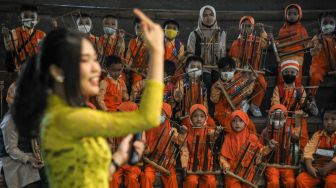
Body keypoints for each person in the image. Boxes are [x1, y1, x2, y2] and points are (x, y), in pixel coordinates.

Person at [10, 9, 165, 188]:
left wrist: (118, 157)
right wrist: (157, 54)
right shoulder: (69, 118)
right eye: (85, 60)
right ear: (58, 71)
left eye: (95, 60)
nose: (96, 69)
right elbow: (148, 118)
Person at [220, 110, 273, 188]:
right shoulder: (228, 137)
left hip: (248, 170)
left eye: (240, 121)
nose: (237, 123)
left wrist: (269, 147)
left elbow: (261, 151)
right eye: (234, 121)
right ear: (230, 123)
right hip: (232, 170)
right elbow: (222, 157)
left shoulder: (252, 137)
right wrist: (225, 165)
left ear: (246, 122)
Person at [228, 16, 268, 117]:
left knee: (262, 82)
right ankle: (242, 103)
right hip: (240, 72)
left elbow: (265, 44)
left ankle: (255, 105)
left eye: (249, 26)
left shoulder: (258, 40)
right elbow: (233, 61)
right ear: (240, 27)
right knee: (236, 82)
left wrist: (262, 31)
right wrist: (242, 70)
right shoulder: (236, 43)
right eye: (244, 25)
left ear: (253, 28)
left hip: (254, 71)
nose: (246, 28)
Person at [260, 104, 304, 188]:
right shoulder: (265, 131)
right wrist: (268, 147)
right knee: (273, 181)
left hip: (286, 164)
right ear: (270, 117)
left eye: (281, 118)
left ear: (285, 119)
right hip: (271, 164)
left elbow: (297, 136)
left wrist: (298, 120)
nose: (278, 121)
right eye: (275, 118)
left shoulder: (289, 129)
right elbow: (259, 150)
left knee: (291, 181)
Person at [211, 57, 257, 133]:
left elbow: (247, 92)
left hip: (238, 110)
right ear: (219, 71)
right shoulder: (216, 85)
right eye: (224, 70)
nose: (227, 72)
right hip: (223, 113)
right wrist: (218, 89)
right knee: (231, 128)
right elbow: (214, 99)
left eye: (230, 70)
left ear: (234, 70)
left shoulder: (239, 81)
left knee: (250, 126)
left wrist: (251, 80)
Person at [296, 103, 336, 188]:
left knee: (331, 183)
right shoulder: (318, 135)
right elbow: (308, 150)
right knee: (301, 179)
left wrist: (326, 169)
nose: (329, 122)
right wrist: (309, 167)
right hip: (317, 170)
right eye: (326, 119)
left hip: (333, 172)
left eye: (333, 119)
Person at [181, 104, 217, 188]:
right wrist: (184, 165)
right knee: (191, 181)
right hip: (191, 163)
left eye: (202, 116)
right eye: (195, 116)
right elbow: (184, 150)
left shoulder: (208, 130)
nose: (198, 119)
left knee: (210, 181)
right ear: (190, 118)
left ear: (206, 118)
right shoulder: (187, 131)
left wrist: (216, 133)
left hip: (206, 163)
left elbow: (213, 135)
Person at [2, 4, 45, 71]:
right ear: (20, 18)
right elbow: (10, 48)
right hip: (20, 70)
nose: (29, 19)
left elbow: (43, 52)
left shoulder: (42, 34)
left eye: (32, 17)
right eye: (26, 16)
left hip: (36, 70)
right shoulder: (15, 32)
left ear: (38, 19)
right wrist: (6, 37)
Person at [277, 4, 309, 84]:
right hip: (284, 57)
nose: (292, 16)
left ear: (299, 15)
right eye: (289, 14)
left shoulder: (302, 29)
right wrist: (276, 44)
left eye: (295, 14)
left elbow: (307, 44)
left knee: (297, 78)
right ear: (286, 15)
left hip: (297, 57)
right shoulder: (282, 29)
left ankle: (296, 95)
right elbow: (279, 44)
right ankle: (281, 95)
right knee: (281, 78)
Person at [309, 12, 336, 106]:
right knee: (315, 75)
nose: (328, 25)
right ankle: (311, 99)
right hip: (320, 66)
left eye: (331, 23)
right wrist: (315, 48)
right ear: (320, 26)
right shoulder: (317, 38)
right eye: (325, 23)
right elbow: (313, 52)